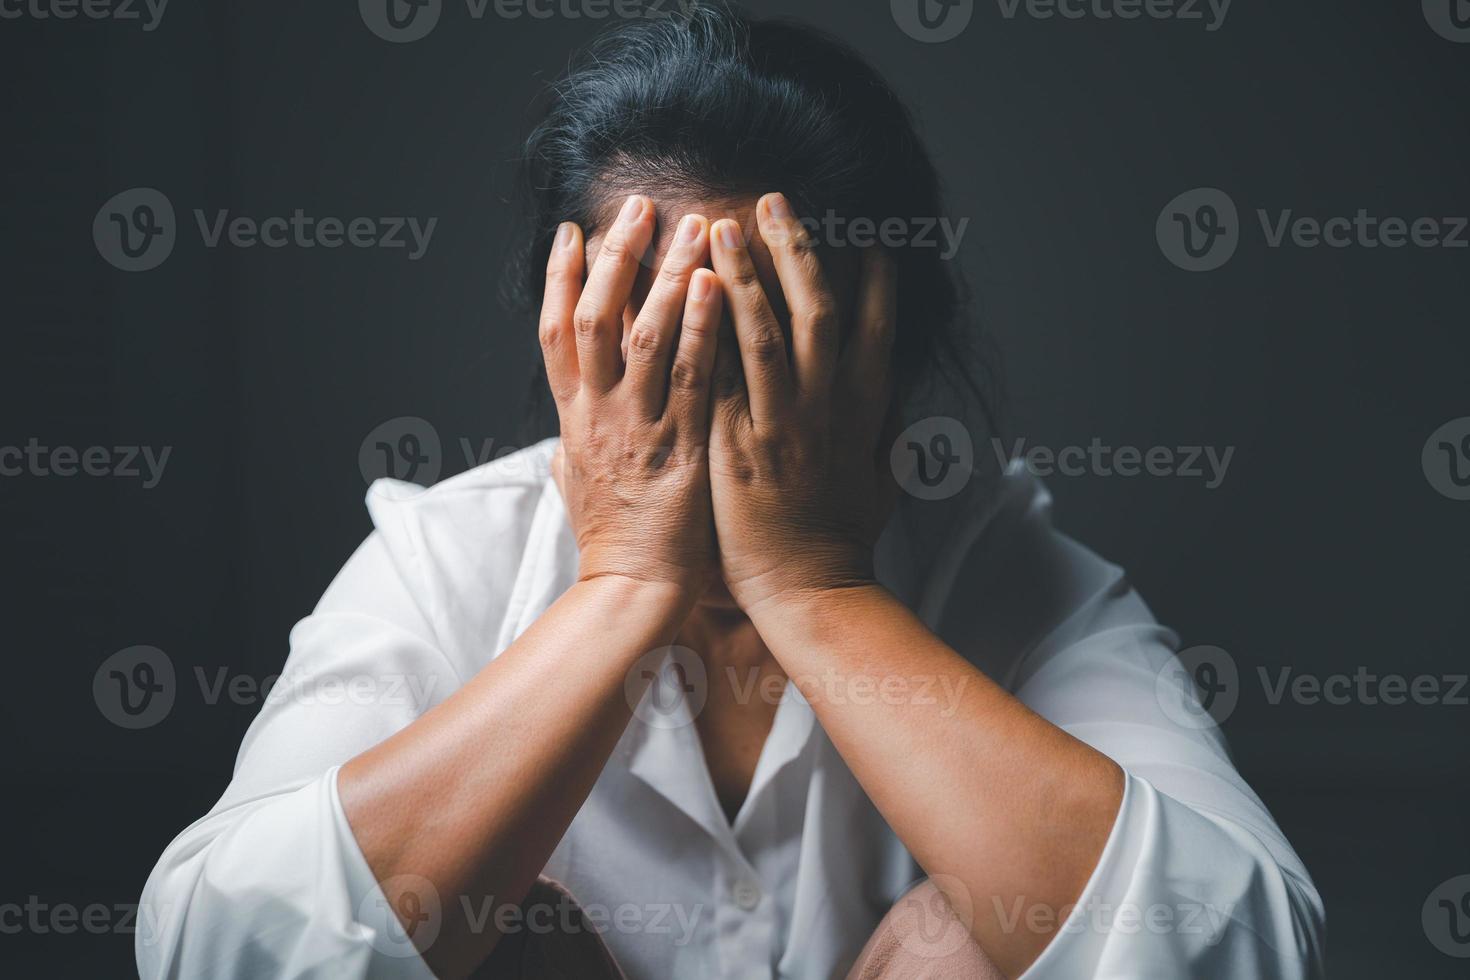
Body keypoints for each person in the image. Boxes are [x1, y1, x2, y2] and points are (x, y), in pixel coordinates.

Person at [137, 5, 1324, 978]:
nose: (710, 431)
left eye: (774, 361)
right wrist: (622, 585)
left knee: (979, 935)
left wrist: (816, 589)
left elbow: (1246, 945)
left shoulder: (999, 562)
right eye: (655, 352)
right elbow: (215, 949)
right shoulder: (452, 557)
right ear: (574, 348)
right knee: (477, 926)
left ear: (890, 362)